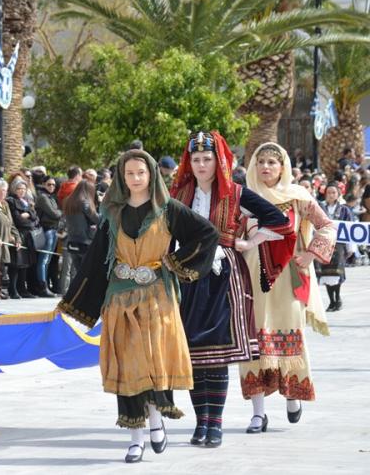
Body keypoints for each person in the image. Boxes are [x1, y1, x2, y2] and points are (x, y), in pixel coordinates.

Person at [59, 149, 218, 464]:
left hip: (157, 297)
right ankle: (135, 438)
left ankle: (156, 419)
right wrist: (74, 302)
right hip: (119, 299)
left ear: (151, 175)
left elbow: (207, 234)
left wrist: (174, 262)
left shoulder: (168, 209)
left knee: (153, 362)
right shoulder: (112, 213)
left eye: (140, 173)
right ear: (122, 177)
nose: (135, 178)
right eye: (129, 173)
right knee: (127, 366)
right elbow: (95, 260)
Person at [169, 132, 292, 448]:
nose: (201, 165)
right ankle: (201, 422)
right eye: (196, 159)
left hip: (223, 276)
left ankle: (216, 423)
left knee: (218, 354)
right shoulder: (178, 194)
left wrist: (250, 242)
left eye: (207, 159)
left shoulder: (236, 193)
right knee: (194, 355)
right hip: (187, 276)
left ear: (218, 161)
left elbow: (280, 221)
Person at [240, 142, 335, 433]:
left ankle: (292, 394)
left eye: (272, 162)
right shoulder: (243, 197)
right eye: (260, 162)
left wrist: (311, 254)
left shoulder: (298, 198)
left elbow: (327, 226)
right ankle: (258, 413)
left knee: (291, 336)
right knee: (252, 342)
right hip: (252, 278)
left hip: (288, 277)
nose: (265, 167)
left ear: (283, 167)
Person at [316, 182, 354, 312]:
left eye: (333, 192)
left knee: (336, 272)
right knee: (325, 272)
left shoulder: (344, 210)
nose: (331, 195)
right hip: (324, 244)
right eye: (328, 192)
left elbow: (349, 229)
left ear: (338, 194)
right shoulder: (320, 208)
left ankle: (337, 299)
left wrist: (350, 248)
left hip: (339, 245)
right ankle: (331, 301)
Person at [61, 180, 99, 292]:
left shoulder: (68, 201)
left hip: (72, 242)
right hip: (85, 242)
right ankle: (84, 296)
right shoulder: (84, 203)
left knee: (78, 273)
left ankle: (77, 295)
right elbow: (97, 219)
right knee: (87, 274)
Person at [7, 178, 39, 299]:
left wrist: (29, 215)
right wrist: (30, 220)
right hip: (18, 234)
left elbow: (36, 218)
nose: (22, 191)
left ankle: (22, 289)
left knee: (25, 264)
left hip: (28, 235)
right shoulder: (11, 201)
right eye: (19, 188)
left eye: (24, 189)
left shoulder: (27, 201)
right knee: (16, 264)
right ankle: (13, 289)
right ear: (14, 189)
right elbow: (18, 219)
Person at [33, 175, 61, 297]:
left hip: (54, 230)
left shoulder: (51, 197)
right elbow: (54, 214)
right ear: (44, 184)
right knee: (43, 260)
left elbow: (57, 214)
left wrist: (59, 213)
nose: (51, 187)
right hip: (46, 230)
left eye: (53, 185)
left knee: (47, 260)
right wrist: (61, 213)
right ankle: (42, 286)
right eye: (49, 184)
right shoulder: (42, 197)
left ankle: (45, 286)